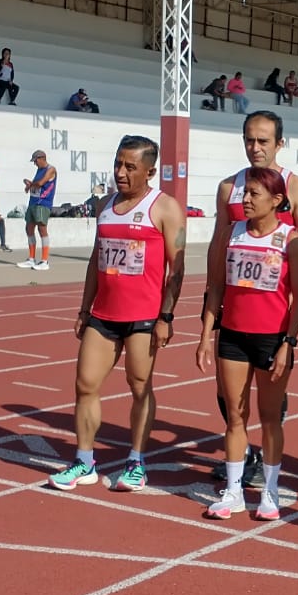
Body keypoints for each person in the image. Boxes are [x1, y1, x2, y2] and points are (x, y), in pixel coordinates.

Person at [51, 136, 186, 493]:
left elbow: (177, 269)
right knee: (84, 385)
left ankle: (136, 461)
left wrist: (165, 317)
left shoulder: (165, 208)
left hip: (143, 318)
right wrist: (84, 308)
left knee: (140, 387)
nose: (120, 173)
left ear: (150, 171)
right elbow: (97, 259)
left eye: (130, 167)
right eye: (117, 164)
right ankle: (84, 461)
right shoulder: (106, 205)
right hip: (104, 315)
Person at [206, 111, 298, 487]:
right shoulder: (229, 188)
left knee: (270, 394)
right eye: (249, 141)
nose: (255, 148)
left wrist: (293, 295)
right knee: (229, 395)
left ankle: (265, 459)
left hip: (275, 309)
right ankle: (246, 454)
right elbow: (217, 245)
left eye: (264, 141)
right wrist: (213, 294)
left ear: (280, 144)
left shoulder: (295, 187)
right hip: (237, 306)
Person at [198, 166, 298, 520]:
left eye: (253, 195)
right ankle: (233, 492)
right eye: (244, 193)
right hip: (231, 336)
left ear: (276, 200)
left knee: (270, 419)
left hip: (271, 339)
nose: (244, 200)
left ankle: (271, 492)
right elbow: (216, 286)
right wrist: (205, 336)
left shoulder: (290, 239)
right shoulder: (232, 233)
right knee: (235, 417)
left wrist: (288, 343)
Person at [19, 149, 57, 270]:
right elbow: (36, 183)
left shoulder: (51, 169)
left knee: (42, 229)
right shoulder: (39, 170)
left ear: (42, 158)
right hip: (33, 202)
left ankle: (44, 261)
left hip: (43, 202)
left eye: (35, 161)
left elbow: (41, 183)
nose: (35, 164)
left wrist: (31, 184)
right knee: (29, 228)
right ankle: (31, 258)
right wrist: (29, 184)